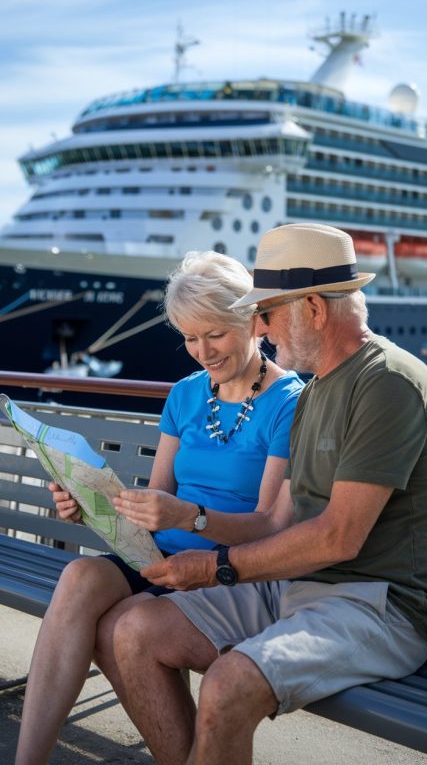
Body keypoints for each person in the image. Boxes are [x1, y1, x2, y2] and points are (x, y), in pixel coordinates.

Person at [95, 222, 427, 765]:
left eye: (268, 311)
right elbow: (277, 523)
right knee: (135, 631)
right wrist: (186, 531)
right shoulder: (314, 393)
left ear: (312, 308)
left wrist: (216, 568)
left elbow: (339, 537)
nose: (257, 325)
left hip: (378, 604)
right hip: (299, 587)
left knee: (227, 685)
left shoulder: (388, 380)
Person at [14, 250, 303, 765]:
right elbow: (155, 498)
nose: (202, 351)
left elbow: (268, 526)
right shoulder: (185, 395)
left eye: (214, 334)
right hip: (159, 555)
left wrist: (187, 516)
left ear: (251, 321)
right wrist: (88, 501)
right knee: (79, 577)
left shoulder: (288, 402)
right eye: (190, 338)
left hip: (229, 569)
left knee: (117, 630)